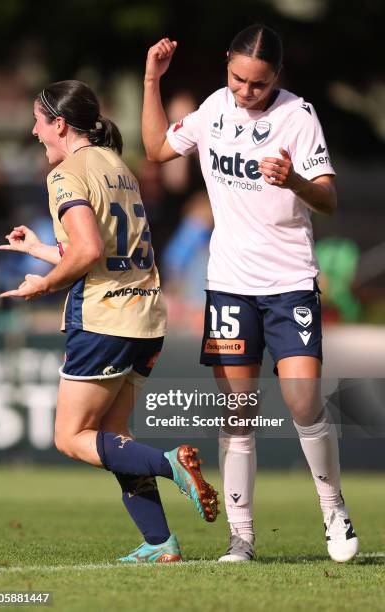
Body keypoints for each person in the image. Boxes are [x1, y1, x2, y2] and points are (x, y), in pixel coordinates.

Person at [142, 25, 358, 563]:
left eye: (257, 84)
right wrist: (152, 79)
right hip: (230, 287)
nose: (245, 92)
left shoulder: (298, 116)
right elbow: (154, 148)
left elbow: (328, 200)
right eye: (238, 78)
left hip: (288, 284)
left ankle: (334, 511)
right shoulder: (215, 108)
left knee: (303, 401)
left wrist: (296, 183)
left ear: (276, 78)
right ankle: (242, 538)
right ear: (227, 67)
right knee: (237, 412)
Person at [0, 79, 218, 563]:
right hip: (146, 317)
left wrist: (45, 283)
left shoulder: (65, 175)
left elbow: (90, 251)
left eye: (38, 122)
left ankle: (173, 467)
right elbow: (101, 248)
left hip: (104, 318)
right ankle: (161, 544)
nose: (34, 133)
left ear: (59, 123)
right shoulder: (117, 165)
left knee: (70, 437)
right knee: (113, 438)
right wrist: (40, 251)